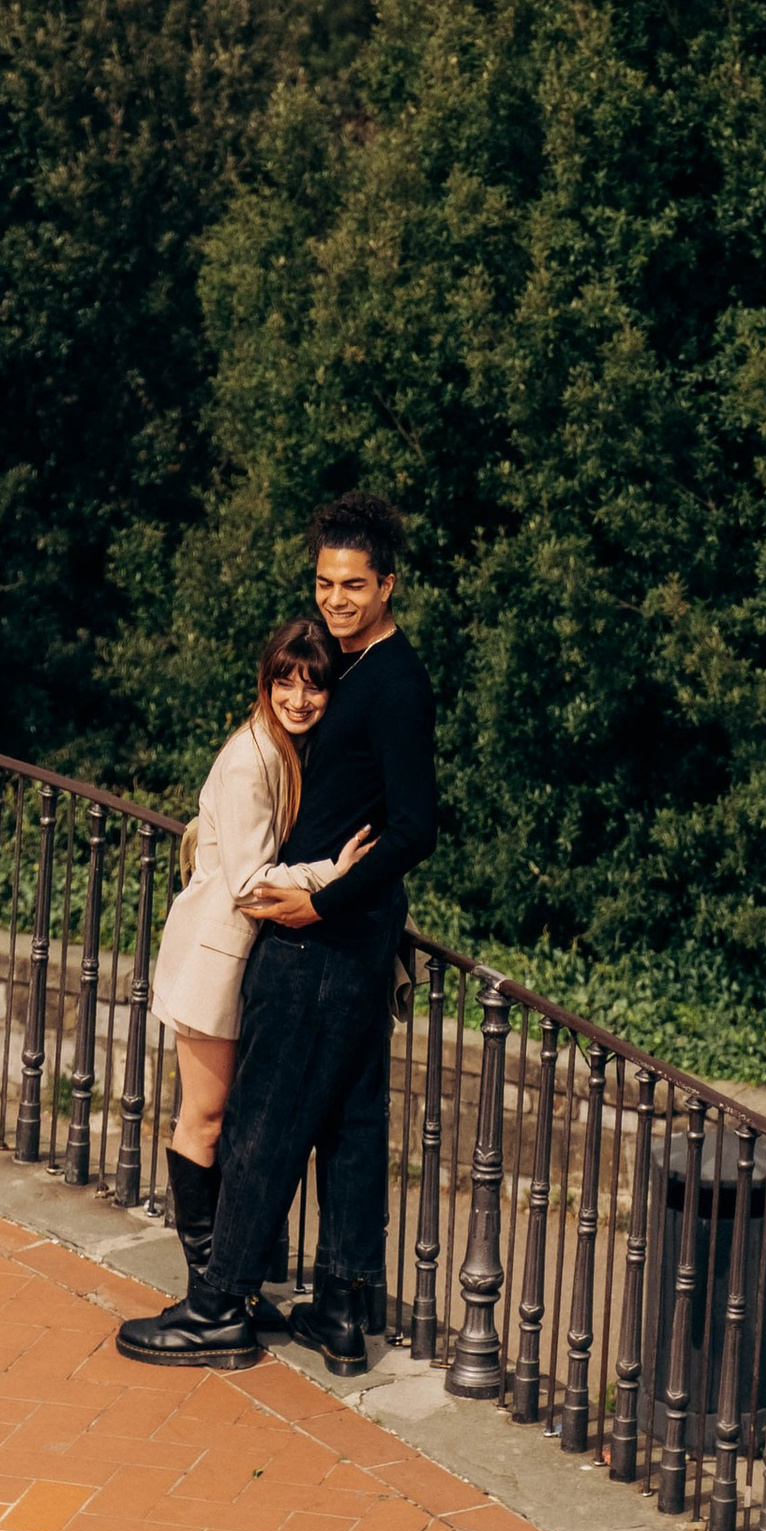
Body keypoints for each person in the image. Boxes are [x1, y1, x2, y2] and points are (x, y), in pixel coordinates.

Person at [119, 492, 437, 1375]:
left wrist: (321, 902)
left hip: (322, 940)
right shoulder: (349, 663)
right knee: (346, 1120)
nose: (338, 600)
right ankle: (339, 1309)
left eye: (356, 585)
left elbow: (415, 829)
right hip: (348, 937)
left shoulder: (397, 682)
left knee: (261, 1124)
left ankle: (218, 1307)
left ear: (388, 584)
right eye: (327, 583)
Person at [146, 617, 373, 1312]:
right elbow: (250, 881)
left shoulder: (286, 749)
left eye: (313, 684)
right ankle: (207, 1291)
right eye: (286, 680)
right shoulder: (252, 759)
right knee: (206, 1118)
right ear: (265, 681)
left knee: (231, 1118)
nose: (299, 697)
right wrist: (332, 871)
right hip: (214, 956)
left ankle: (225, 1286)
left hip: (239, 955)